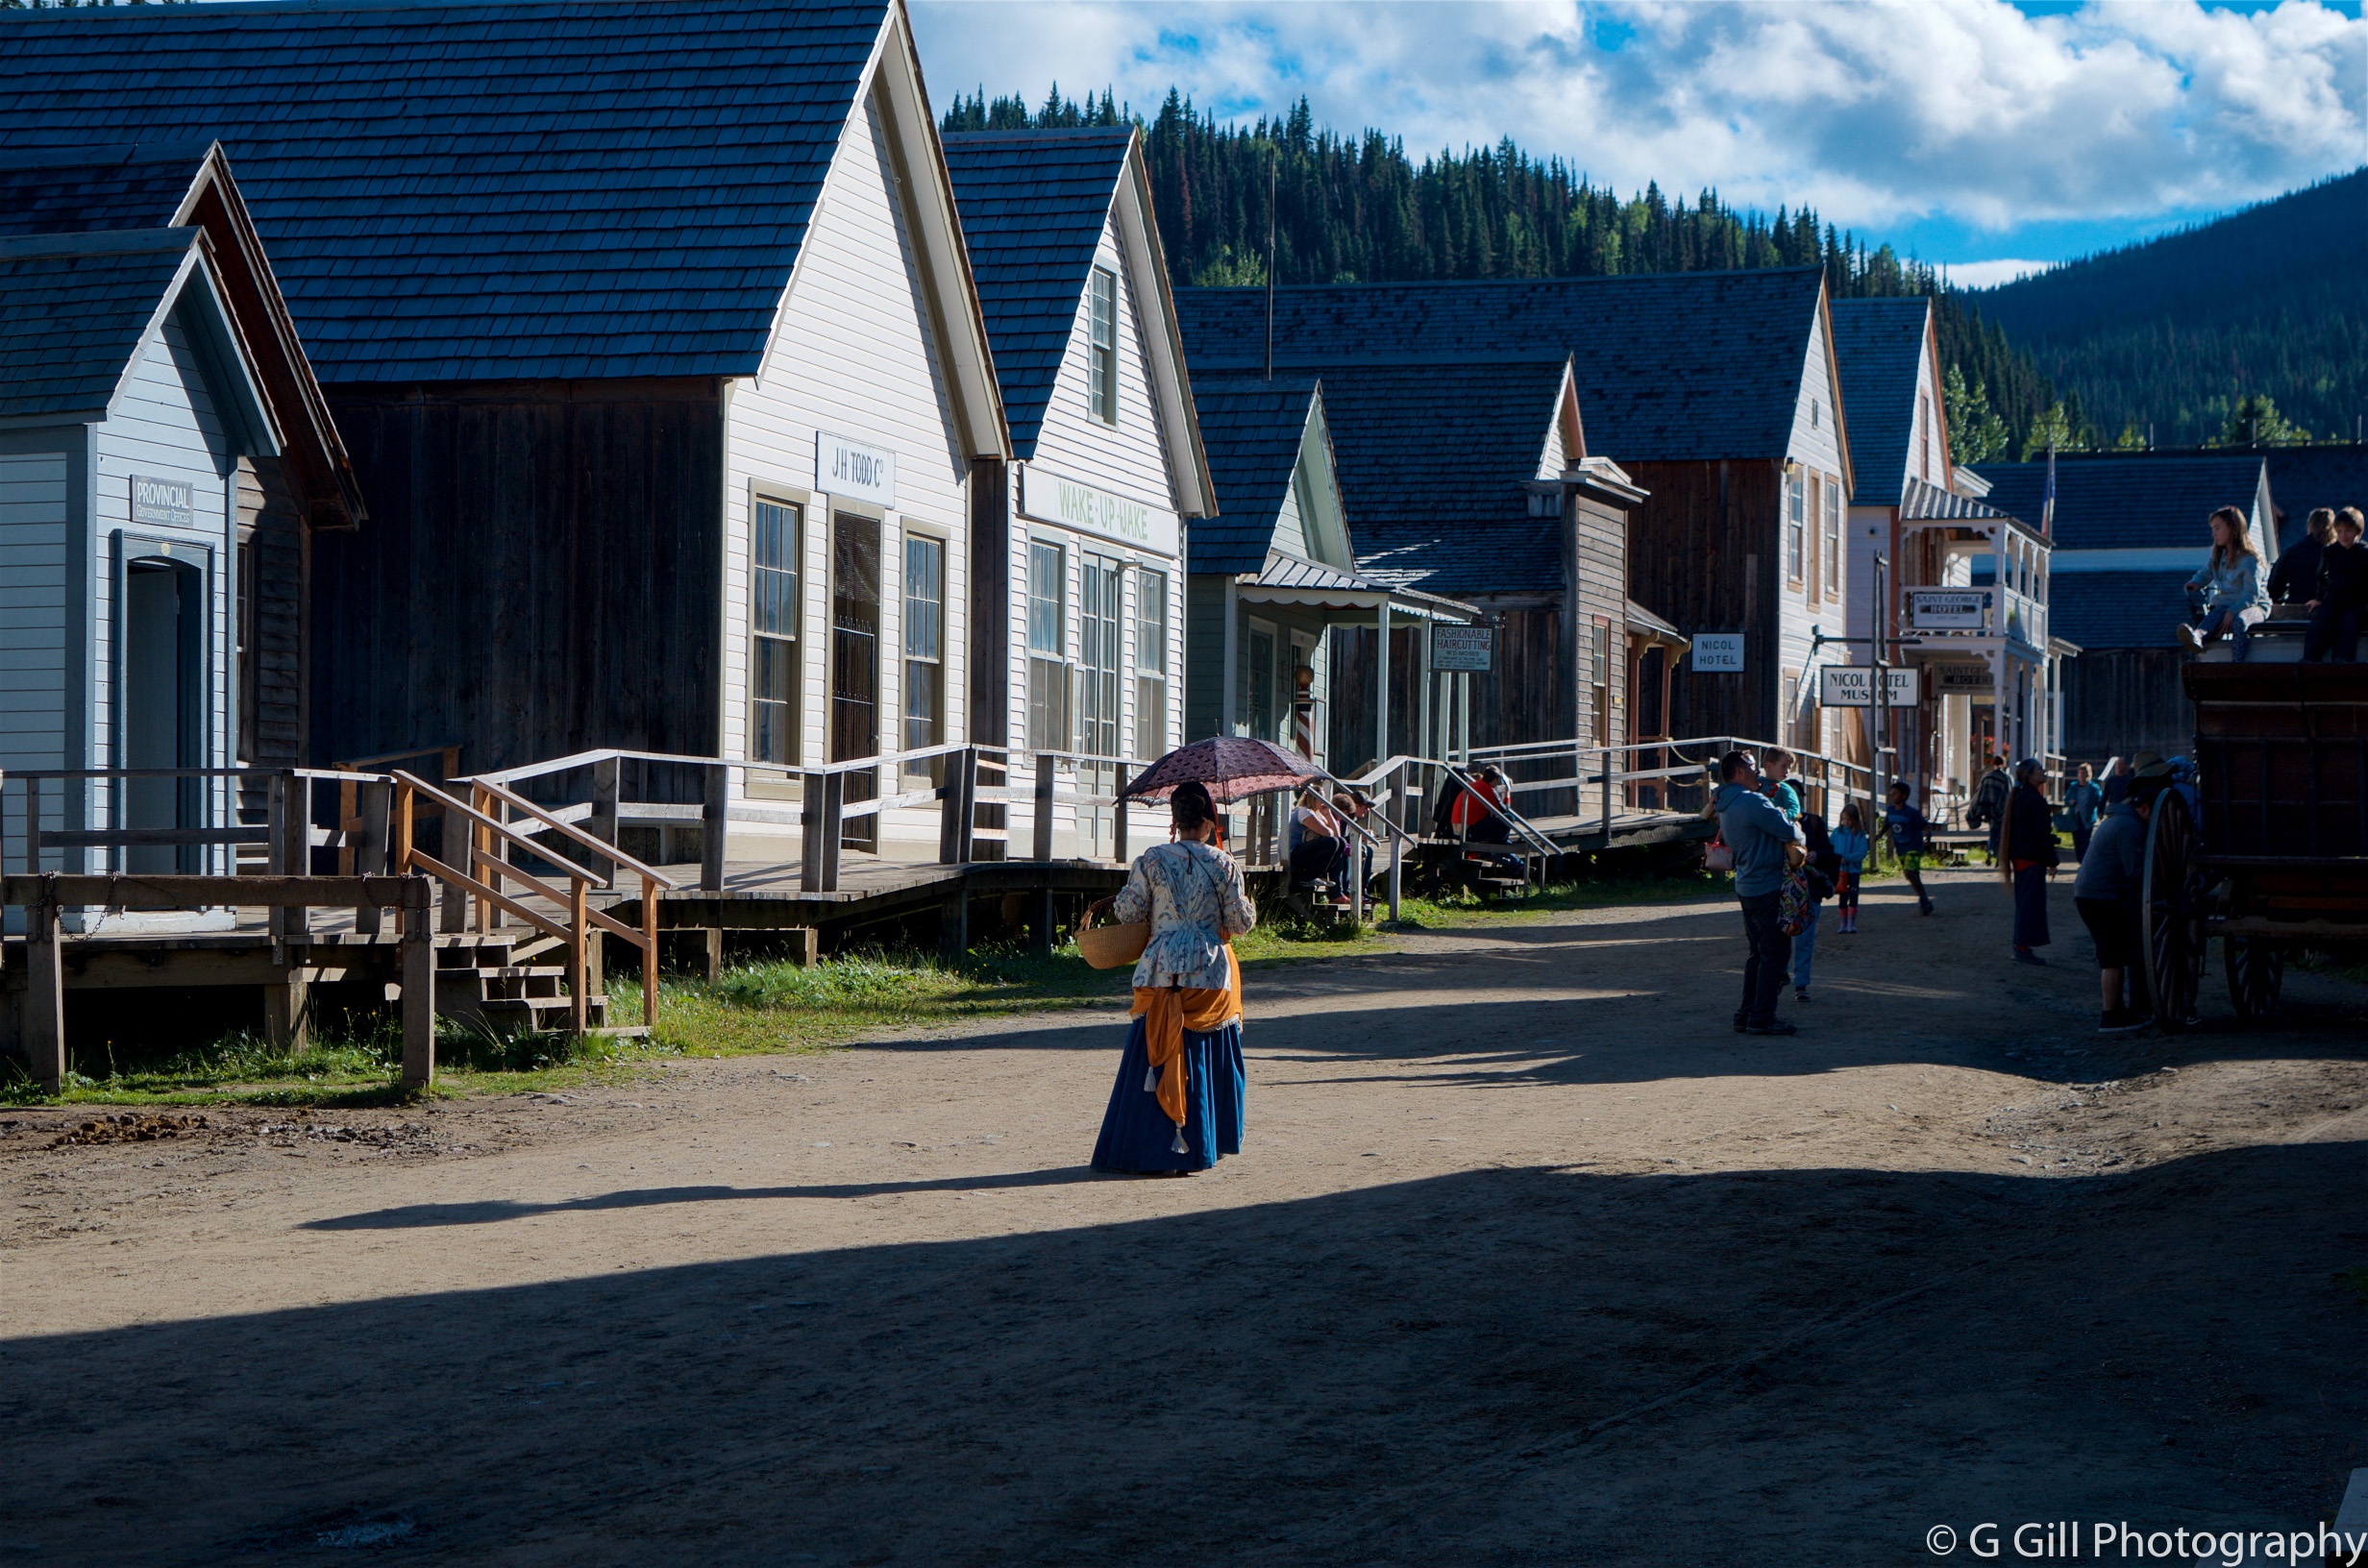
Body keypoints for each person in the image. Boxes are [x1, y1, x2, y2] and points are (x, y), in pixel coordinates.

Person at [1091, 780, 1257, 1175]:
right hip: (1208, 971)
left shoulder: (1150, 859)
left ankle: (1146, 1149)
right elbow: (1239, 922)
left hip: (1159, 965)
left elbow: (1128, 913)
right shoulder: (1223, 862)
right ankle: (1196, 1146)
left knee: (1152, 1048)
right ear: (1208, 819)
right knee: (1201, 1050)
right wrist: (1241, 892)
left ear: (1175, 820)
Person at [1714, 749, 1807, 1037]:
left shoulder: (1724, 802)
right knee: (1775, 956)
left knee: (1757, 954)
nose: (1757, 773)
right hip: (1768, 885)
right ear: (1740, 772)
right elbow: (1791, 832)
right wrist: (1796, 830)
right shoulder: (1751, 801)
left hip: (1746, 885)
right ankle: (1762, 1017)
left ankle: (1746, 1014)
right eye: (1753, 768)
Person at [2074, 771, 2160, 1033]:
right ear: (2144, 808)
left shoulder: (2117, 820)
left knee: (2113, 955)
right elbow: (2135, 872)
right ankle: (2110, 1015)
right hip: (2101, 897)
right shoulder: (2129, 827)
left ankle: (2115, 1011)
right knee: (2112, 957)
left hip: (2092, 894)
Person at [2177, 504, 2268, 660]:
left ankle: (2237, 663)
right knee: (2216, 611)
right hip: (2227, 606)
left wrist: (2232, 612)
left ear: (2232, 528)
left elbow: (2251, 596)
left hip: (2253, 606)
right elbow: (2206, 572)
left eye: (2217, 528)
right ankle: (2197, 637)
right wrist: (2196, 582)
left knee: (2240, 622)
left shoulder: (2249, 560)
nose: (2213, 534)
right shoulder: (2219, 557)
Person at [2000, 756, 2060, 965]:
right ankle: (2021, 947)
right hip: (2031, 858)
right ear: (2031, 775)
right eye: (2039, 769)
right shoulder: (2035, 801)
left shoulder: (2020, 797)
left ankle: (2022, 945)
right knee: (2029, 904)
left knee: (2026, 903)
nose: (2044, 772)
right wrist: (2052, 860)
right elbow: (2041, 835)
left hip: (2021, 857)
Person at [2306, 506, 2368, 663]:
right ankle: (2311, 659)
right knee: (2320, 621)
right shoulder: (2330, 552)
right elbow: (2322, 576)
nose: (2343, 535)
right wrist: (2320, 597)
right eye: (2339, 531)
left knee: (2348, 623)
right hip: (2334, 598)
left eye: (2347, 531)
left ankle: (2343, 660)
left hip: (2356, 600)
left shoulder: (2364, 552)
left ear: (2358, 531)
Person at [1792, 810, 1840, 1003]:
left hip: (1810, 889)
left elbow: (1829, 851)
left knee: (1805, 938)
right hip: (1780, 889)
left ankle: (1800, 984)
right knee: (1779, 940)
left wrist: (1816, 854)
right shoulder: (1771, 820)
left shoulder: (1813, 822)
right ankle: (1778, 979)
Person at [1884, 779, 1936, 917]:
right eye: (1891, 793)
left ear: (1904, 796)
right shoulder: (1890, 811)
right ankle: (1925, 901)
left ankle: (1924, 900)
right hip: (1901, 848)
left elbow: (1925, 825)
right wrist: (1878, 835)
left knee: (1908, 872)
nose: (1892, 796)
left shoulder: (1911, 813)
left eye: (1895, 794)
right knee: (1914, 876)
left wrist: (1927, 835)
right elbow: (1887, 824)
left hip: (1914, 846)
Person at [2270, 507, 2334, 605]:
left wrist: (2279, 599)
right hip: (2327, 608)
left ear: (2310, 525)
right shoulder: (2336, 554)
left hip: (2295, 606)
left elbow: (2274, 584)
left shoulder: (2293, 552)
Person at [1286, 788, 1345, 894]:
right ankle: (1307, 878)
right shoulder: (1304, 811)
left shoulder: (1318, 814)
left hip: (1304, 851)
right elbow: (1328, 834)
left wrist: (1328, 814)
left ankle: (1315, 875)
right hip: (1292, 853)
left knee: (1341, 843)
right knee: (1332, 842)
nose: (1324, 801)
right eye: (1321, 798)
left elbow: (1337, 835)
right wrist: (1328, 827)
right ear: (1313, 799)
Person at [1831, 801, 1870, 934]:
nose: (1846, 822)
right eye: (1844, 819)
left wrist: (1847, 858)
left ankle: (1851, 923)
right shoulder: (1836, 833)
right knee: (1842, 895)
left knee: (1853, 894)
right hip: (1841, 870)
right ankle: (1843, 923)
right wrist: (1835, 859)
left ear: (1855, 820)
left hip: (1853, 870)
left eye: (1849, 819)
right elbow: (1830, 848)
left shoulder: (1859, 835)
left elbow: (1862, 852)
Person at [1968, 753, 2010, 861]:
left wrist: (1976, 808)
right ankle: (1998, 856)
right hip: (2001, 810)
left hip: (1988, 809)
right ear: (2003, 764)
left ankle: (1990, 850)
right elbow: (2009, 794)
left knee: (1992, 830)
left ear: (1993, 763)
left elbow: (1979, 792)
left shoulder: (1987, 776)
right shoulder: (2006, 778)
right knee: (2001, 833)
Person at [2064, 762, 2103, 865]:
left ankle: (2084, 862)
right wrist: (2070, 802)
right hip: (2075, 819)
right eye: (2081, 774)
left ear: (2089, 774)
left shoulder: (2094, 788)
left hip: (2087, 819)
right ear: (2078, 775)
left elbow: (2100, 800)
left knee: (2085, 842)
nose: (2083, 776)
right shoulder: (2073, 787)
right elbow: (2066, 800)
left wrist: (2100, 811)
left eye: (2085, 774)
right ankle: (2080, 860)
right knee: (2077, 842)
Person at [1760, 749, 1804, 820]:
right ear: (1768, 765)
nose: (1787, 771)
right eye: (1783, 766)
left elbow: (1795, 809)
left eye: (1789, 768)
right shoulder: (1757, 782)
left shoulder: (1786, 789)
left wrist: (1784, 815)